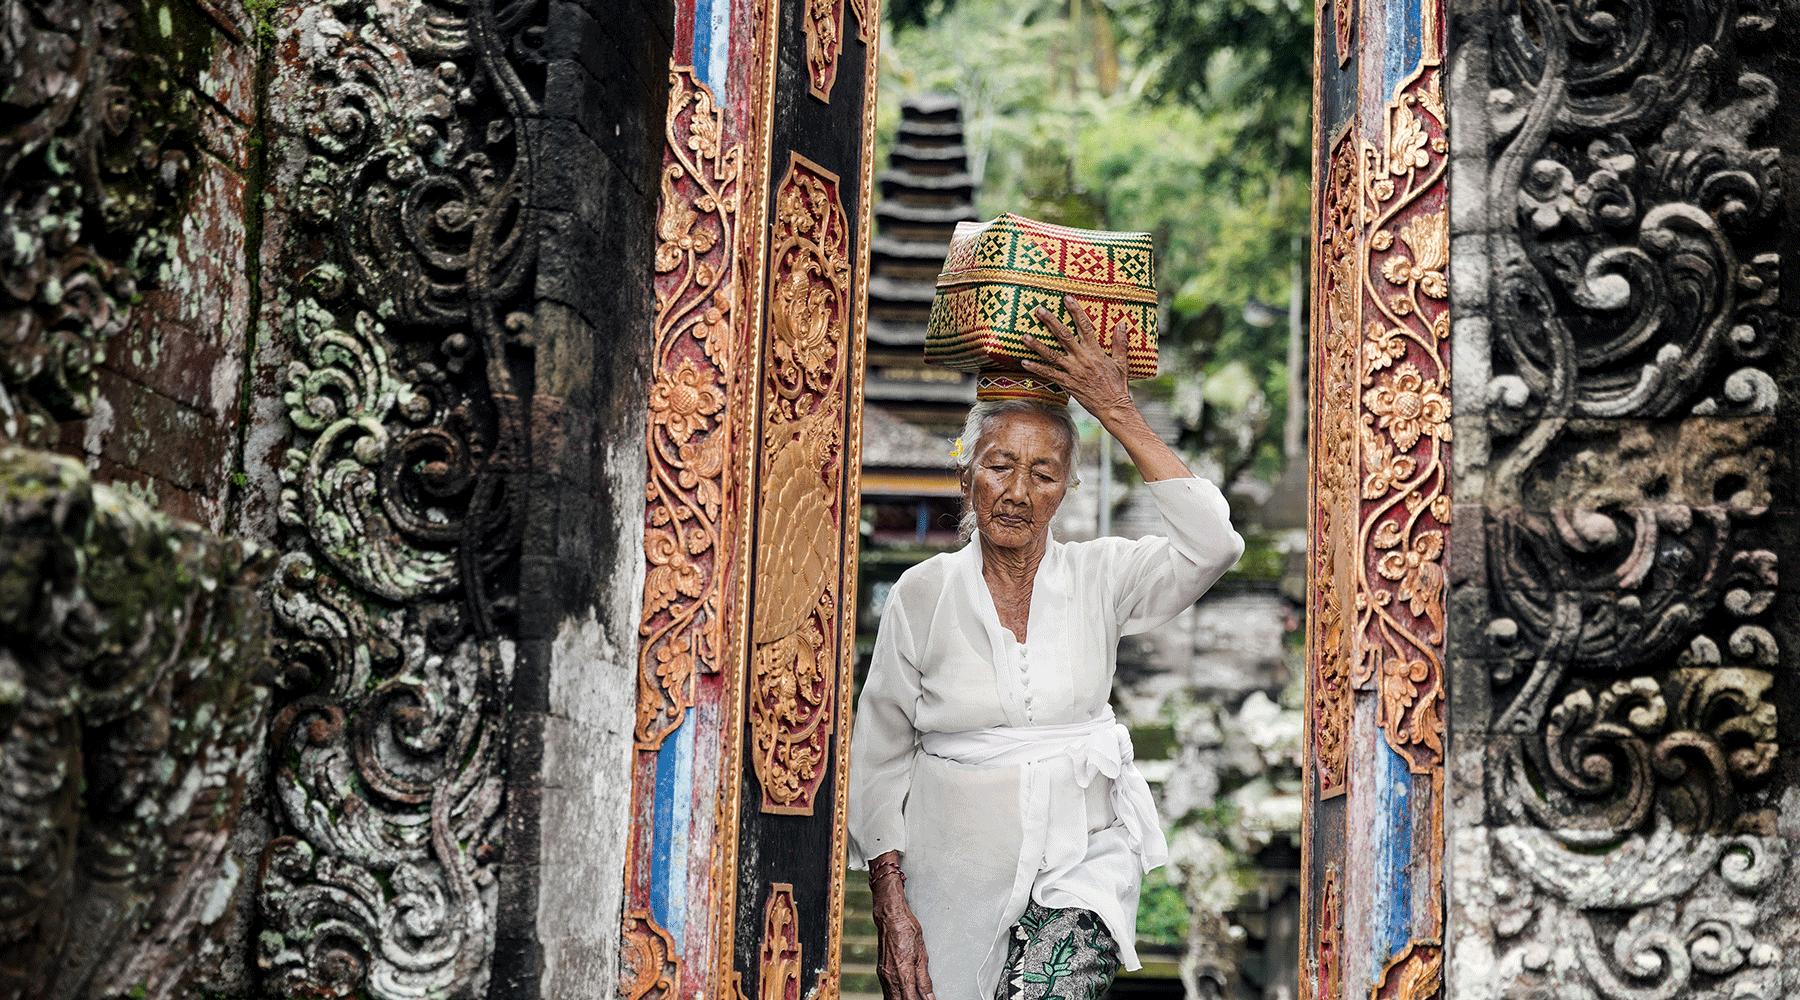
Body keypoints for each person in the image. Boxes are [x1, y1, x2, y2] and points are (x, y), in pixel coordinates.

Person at [847, 296, 1247, 1000]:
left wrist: (1116, 410)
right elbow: (878, 757)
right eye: (1000, 465)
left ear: (1067, 489)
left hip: (1081, 865)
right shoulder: (924, 593)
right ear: (965, 474)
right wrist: (890, 903)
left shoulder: (1102, 576)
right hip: (951, 879)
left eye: (1044, 473)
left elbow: (1214, 544)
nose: (1019, 492)